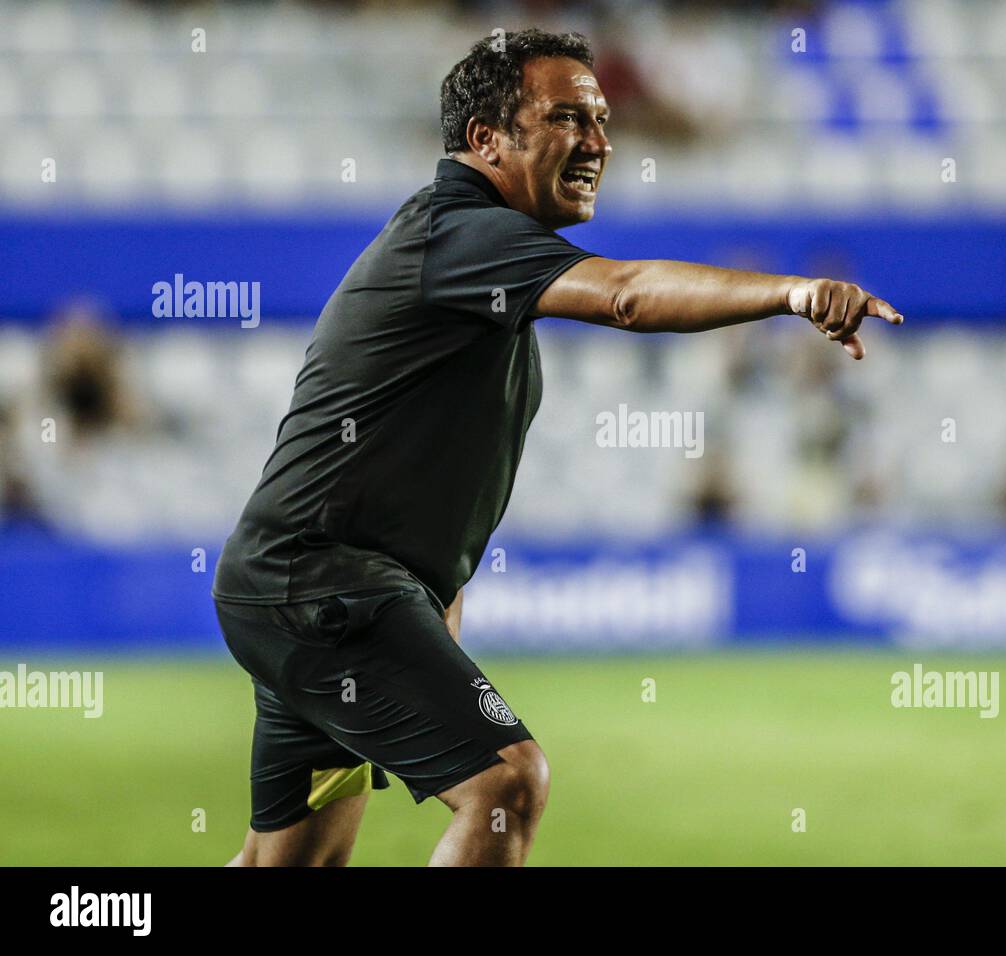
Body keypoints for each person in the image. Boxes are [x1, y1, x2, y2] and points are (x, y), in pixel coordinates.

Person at [213, 28, 902, 868]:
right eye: (569, 119)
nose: (600, 143)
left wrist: (432, 622)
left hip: (306, 587)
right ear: (485, 141)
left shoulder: (472, 263)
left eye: (604, 120)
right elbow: (626, 295)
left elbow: (424, 499)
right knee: (507, 787)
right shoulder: (459, 234)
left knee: (288, 863)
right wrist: (792, 292)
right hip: (323, 587)